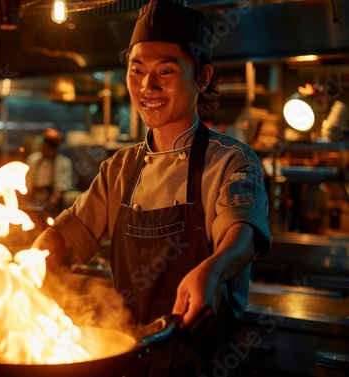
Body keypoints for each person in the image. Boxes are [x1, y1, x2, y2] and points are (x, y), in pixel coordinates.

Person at [32, 0, 271, 375]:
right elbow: (63, 237)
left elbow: (243, 235)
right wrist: (24, 271)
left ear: (203, 77)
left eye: (166, 71)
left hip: (201, 362)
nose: (147, 86)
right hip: (128, 359)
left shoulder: (232, 160)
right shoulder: (120, 169)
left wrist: (212, 270)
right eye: (137, 70)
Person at [25, 128, 74, 217]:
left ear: (53, 148)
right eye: (43, 145)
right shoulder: (33, 159)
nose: (43, 148)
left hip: (53, 199)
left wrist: (53, 200)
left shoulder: (63, 162)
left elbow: (62, 184)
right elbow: (28, 179)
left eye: (46, 146)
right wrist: (28, 196)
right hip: (35, 196)